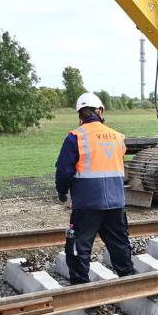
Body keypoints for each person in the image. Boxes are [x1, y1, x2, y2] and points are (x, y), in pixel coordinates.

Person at [54, 92, 137, 285]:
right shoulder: (118, 137)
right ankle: (129, 279)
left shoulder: (76, 137)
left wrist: (61, 192)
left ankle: (81, 285)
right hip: (116, 202)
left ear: (80, 114)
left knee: (78, 246)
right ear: (100, 111)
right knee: (119, 242)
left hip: (87, 204)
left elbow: (63, 170)